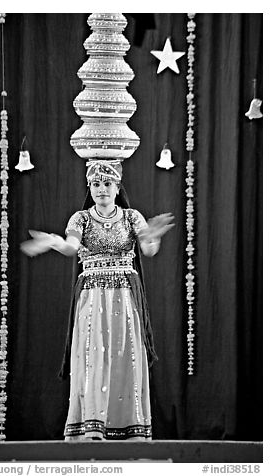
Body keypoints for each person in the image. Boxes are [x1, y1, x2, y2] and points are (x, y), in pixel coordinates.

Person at [21, 160, 175, 440]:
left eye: (107, 184)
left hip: (125, 297)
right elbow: (71, 247)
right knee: (94, 355)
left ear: (117, 187)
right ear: (89, 187)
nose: (101, 189)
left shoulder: (131, 217)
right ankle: (92, 429)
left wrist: (154, 236)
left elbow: (148, 250)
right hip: (92, 295)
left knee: (125, 355)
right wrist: (54, 242)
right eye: (96, 184)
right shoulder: (80, 218)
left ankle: (132, 431)